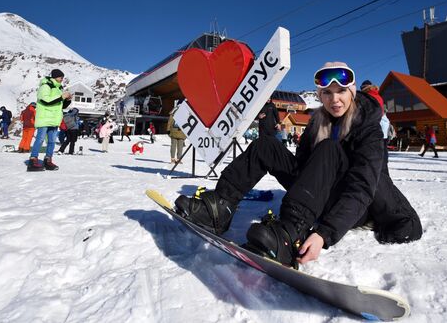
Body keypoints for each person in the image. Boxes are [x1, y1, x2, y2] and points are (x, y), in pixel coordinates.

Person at [174, 61, 422, 267]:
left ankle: (289, 233)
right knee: (265, 144)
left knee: (329, 149)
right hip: (320, 193)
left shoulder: (368, 129)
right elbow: (303, 169)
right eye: (327, 93)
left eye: (341, 92)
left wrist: (324, 234)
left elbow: (363, 186)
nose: (335, 100)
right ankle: (221, 207)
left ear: (353, 92)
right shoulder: (317, 124)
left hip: (354, 206)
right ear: (320, 95)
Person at [28, 69, 71, 171]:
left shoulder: (59, 88)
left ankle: (48, 160)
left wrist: (67, 100)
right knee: (40, 139)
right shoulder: (45, 86)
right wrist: (61, 97)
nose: (62, 79)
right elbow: (46, 100)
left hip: (54, 119)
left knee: (51, 141)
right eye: (61, 77)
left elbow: (60, 105)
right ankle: (33, 160)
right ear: (55, 77)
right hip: (44, 117)